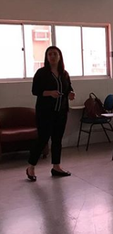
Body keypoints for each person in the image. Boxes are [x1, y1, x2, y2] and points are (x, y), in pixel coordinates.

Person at [26, 46, 75, 181]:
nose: (52, 56)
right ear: (47, 58)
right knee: (42, 139)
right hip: (45, 112)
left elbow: (68, 88)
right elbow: (35, 90)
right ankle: (31, 167)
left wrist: (70, 93)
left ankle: (56, 167)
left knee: (57, 140)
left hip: (61, 112)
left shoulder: (64, 73)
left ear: (60, 56)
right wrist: (49, 93)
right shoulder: (41, 73)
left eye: (55, 54)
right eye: (49, 54)